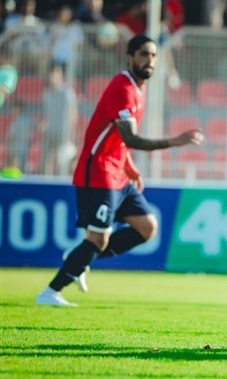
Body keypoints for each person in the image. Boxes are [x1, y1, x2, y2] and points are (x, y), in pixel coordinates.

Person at [35, 35, 205, 307]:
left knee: (147, 227)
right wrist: (175, 141)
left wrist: (130, 168)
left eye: (154, 55)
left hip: (118, 173)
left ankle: (79, 258)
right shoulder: (122, 88)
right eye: (144, 54)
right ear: (130, 57)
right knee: (98, 239)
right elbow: (131, 139)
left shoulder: (139, 88)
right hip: (99, 172)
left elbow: (117, 140)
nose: (150, 60)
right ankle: (50, 293)